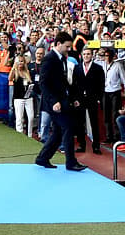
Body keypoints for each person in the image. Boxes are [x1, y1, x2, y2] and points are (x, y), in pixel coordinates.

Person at [35, 31, 87, 172]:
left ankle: (43, 158)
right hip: (54, 103)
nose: (69, 49)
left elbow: (63, 82)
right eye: (67, 46)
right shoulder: (49, 59)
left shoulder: (62, 59)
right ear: (58, 44)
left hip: (62, 100)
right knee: (68, 127)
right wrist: (53, 102)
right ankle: (71, 162)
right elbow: (43, 83)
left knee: (58, 132)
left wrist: (73, 98)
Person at [71, 47, 105, 154]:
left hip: (92, 99)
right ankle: (82, 145)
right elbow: (73, 85)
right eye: (84, 54)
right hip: (80, 99)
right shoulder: (77, 68)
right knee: (80, 123)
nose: (86, 56)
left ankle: (96, 146)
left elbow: (101, 85)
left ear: (92, 55)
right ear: (82, 55)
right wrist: (75, 99)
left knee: (94, 123)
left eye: (88, 54)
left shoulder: (98, 68)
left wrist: (98, 98)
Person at [101, 48, 125, 143]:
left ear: (113, 57)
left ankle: (116, 136)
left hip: (115, 91)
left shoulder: (117, 65)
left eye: (108, 56)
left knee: (115, 114)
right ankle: (109, 136)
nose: (107, 58)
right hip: (105, 91)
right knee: (106, 115)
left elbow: (123, 78)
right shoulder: (103, 64)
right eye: (105, 56)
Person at [9, 55, 35, 135]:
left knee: (31, 117)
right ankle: (19, 133)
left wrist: (30, 85)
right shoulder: (15, 71)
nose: (20, 63)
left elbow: (30, 81)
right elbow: (9, 79)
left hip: (28, 97)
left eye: (22, 61)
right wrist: (13, 67)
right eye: (18, 61)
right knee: (19, 118)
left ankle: (29, 134)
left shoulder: (26, 71)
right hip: (18, 98)